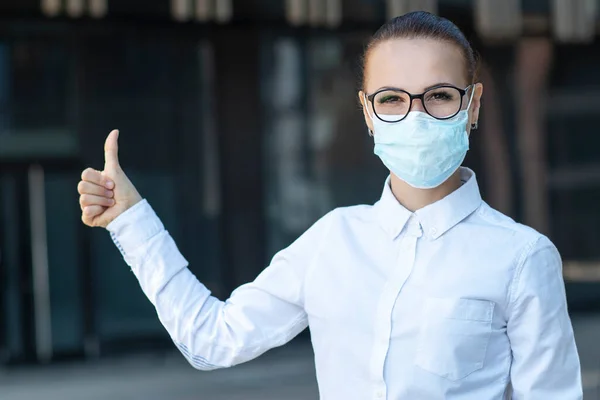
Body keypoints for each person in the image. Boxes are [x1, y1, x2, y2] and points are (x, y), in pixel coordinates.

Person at [77, 11, 582, 400]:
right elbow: (211, 340)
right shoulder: (331, 242)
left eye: (440, 96)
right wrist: (131, 219)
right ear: (367, 111)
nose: (416, 116)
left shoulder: (522, 257)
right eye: (391, 100)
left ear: (471, 106)